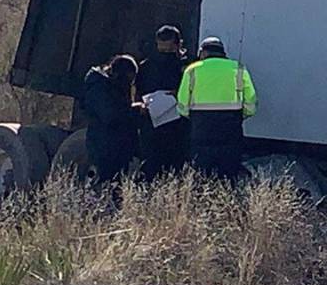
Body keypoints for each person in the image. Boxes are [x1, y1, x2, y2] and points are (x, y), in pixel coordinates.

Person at [176, 37, 257, 181]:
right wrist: (242, 115)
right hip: (230, 128)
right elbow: (250, 100)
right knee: (228, 172)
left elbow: (182, 104)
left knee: (201, 173)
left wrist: (192, 117)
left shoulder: (192, 70)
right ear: (223, 53)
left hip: (201, 129)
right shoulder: (238, 69)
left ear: (203, 53)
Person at [136, 25, 189, 178]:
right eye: (162, 50)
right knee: (151, 166)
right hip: (152, 124)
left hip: (178, 125)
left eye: (169, 50)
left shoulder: (187, 66)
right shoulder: (146, 66)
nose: (165, 54)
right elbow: (138, 92)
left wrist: (178, 93)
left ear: (178, 45)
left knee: (177, 167)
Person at [81, 54, 141, 183]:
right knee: (103, 184)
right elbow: (110, 116)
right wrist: (135, 110)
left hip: (114, 145)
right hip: (104, 146)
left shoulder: (108, 85)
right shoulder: (99, 88)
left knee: (113, 185)